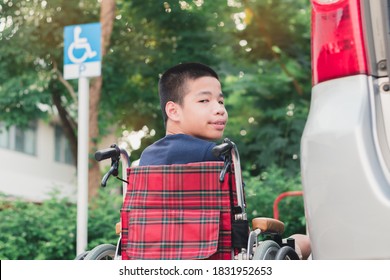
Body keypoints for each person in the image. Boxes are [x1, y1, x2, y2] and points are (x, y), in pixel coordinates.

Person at [139, 62, 311, 259]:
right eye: (204, 101)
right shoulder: (217, 155)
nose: (219, 109)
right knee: (304, 241)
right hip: (217, 255)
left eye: (220, 102)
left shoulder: (147, 157)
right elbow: (237, 224)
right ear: (174, 111)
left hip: (154, 256)